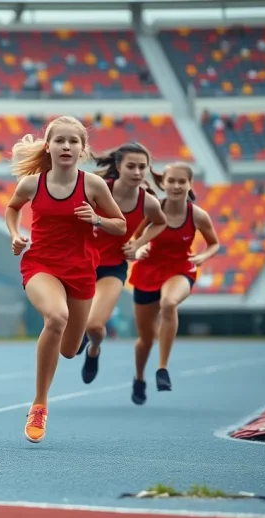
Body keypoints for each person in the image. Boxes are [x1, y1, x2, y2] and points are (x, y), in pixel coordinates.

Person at [5, 119, 126, 444]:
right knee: (56, 317)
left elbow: (120, 225)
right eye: (60, 141)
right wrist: (15, 234)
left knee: (71, 350)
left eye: (74, 141)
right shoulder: (32, 184)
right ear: (49, 146)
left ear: (82, 149)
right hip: (41, 265)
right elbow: (12, 208)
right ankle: (39, 405)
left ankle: (88, 346)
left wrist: (98, 219)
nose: (67, 146)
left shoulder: (94, 186)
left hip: (81, 270)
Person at [128, 162, 220, 405]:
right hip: (148, 272)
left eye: (182, 181)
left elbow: (214, 243)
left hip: (180, 269)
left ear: (190, 185)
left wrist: (203, 256)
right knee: (145, 339)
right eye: (172, 181)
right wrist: (143, 247)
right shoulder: (152, 209)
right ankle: (139, 378)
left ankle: (162, 369)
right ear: (163, 183)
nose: (177, 186)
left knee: (169, 304)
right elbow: (135, 238)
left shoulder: (197, 215)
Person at [77, 143, 168, 385]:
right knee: (68, 328)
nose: (137, 172)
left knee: (95, 326)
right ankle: (78, 339)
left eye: (142, 167)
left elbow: (160, 223)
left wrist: (139, 244)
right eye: (131, 166)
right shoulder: (96, 190)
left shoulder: (148, 202)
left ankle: (93, 350)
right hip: (79, 264)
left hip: (112, 268)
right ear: (118, 167)